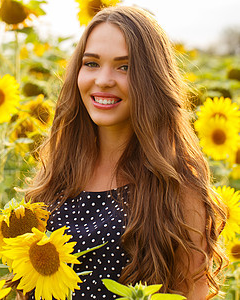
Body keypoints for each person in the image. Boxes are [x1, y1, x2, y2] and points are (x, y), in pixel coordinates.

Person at [23, 5, 228, 300]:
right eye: (91, 63)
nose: (104, 80)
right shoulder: (56, 174)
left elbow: (192, 291)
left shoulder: (176, 187)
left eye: (125, 67)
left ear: (152, 80)